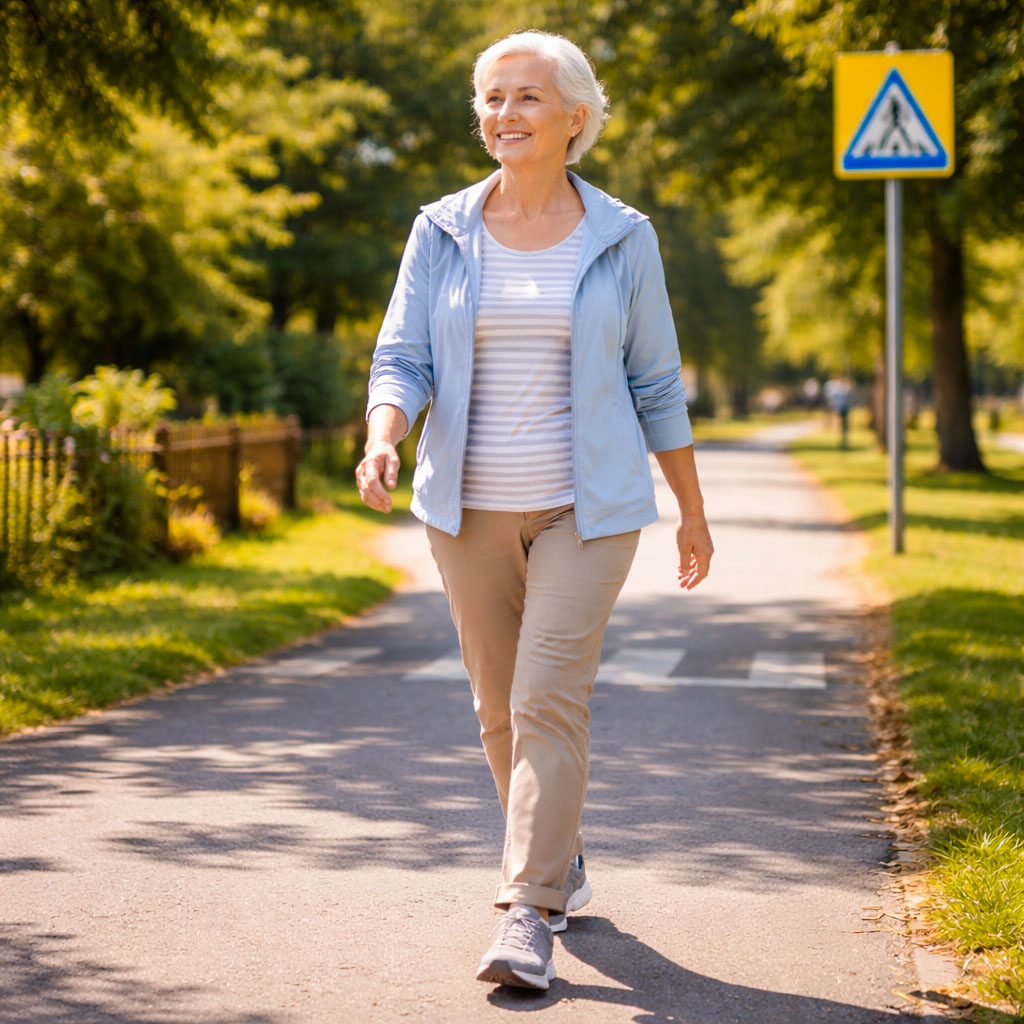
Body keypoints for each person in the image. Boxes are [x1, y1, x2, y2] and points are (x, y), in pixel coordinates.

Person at [356, 30, 713, 991]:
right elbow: (402, 355)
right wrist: (386, 432)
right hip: (465, 505)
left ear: (574, 119)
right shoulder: (441, 230)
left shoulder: (623, 236)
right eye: (491, 98)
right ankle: (559, 856)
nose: (503, 114)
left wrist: (690, 507)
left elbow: (656, 380)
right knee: (496, 706)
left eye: (525, 98)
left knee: (546, 697)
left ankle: (529, 911)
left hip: (585, 509)